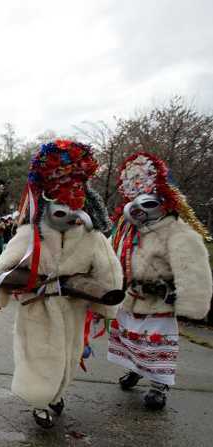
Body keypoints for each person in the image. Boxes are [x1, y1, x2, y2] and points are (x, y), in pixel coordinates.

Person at [0, 140, 121, 429]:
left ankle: (57, 393)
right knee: (37, 354)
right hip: (37, 306)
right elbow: (4, 264)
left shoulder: (92, 236)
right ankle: (39, 401)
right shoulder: (31, 232)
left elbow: (109, 271)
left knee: (68, 357)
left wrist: (106, 308)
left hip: (72, 309)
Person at [107, 152, 212, 410]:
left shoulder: (177, 232)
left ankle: (158, 385)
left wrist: (188, 299)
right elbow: (111, 256)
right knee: (131, 340)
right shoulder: (125, 229)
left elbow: (193, 267)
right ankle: (135, 370)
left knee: (155, 344)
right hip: (130, 299)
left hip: (158, 303)